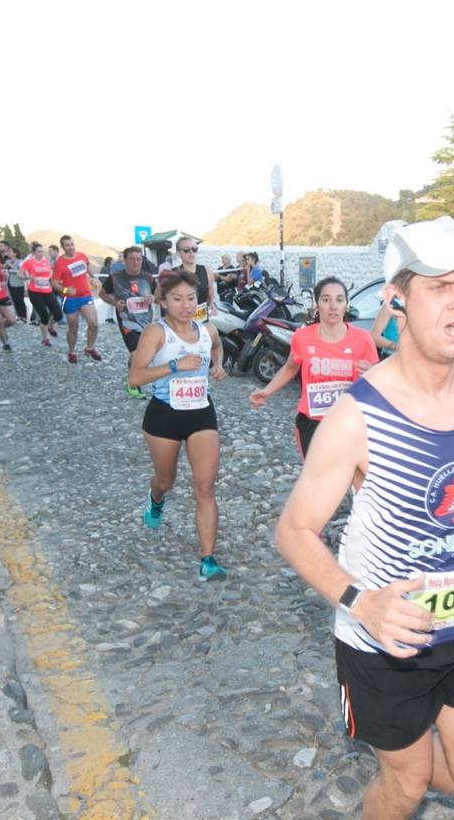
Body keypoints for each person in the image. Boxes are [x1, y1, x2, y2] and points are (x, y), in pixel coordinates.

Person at [274, 217, 454, 820]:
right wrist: (362, 602)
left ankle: (405, 773)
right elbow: (295, 531)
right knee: (408, 782)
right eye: (439, 288)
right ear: (399, 299)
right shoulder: (359, 415)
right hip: (385, 636)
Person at [127, 271, 230, 582]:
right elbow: (135, 378)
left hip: (201, 413)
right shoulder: (156, 333)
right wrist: (174, 365)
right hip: (163, 415)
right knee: (165, 480)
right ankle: (155, 499)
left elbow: (216, 346)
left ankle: (208, 559)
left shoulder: (206, 330)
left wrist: (218, 365)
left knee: (205, 486)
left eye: (190, 298)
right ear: (163, 302)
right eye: (177, 299)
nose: (185, 305)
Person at [248, 277, 378, 457]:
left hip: (350, 422)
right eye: (326, 300)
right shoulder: (302, 337)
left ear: (346, 305)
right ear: (317, 304)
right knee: (317, 482)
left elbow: (379, 383)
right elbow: (290, 368)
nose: (333, 306)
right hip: (312, 423)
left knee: (348, 481)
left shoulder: (363, 339)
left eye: (339, 300)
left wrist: (372, 374)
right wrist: (266, 391)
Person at [102, 246, 157, 397]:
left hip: (146, 321)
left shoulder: (148, 277)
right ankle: (133, 384)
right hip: (127, 321)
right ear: (125, 260)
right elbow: (102, 293)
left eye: (138, 259)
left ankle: (132, 369)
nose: (135, 262)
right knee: (137, 353)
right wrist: (115, 302)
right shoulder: (115, 276)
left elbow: (157, 295)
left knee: (140, 353)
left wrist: (153, 298)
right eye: (132, 259)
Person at [51, 234, 101, 362]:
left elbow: (87, 269)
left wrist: (94, 278)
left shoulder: (82, 256)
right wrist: (66, 290)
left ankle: (90, 348)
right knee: (73, 327)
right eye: (67, 245)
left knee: (94, 324)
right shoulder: (60, 263)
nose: (71, 247)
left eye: (72, 244)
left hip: (85, 295)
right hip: (70, 299)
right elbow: (54, 283)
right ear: (63, 247)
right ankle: (72, 351)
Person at [20, 243, 62, 347]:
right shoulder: (29, 263)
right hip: (35, 292)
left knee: (58, 314)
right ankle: (45, 339)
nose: (41, 253)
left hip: (47, 291)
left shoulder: (46, 262)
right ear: (33, 252)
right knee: (43, 316)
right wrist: (28, 278)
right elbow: (19, 274)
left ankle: (50, 326)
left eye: (42, 251)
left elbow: (50, 274)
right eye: (39, 251)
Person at [172, 236, 212, 306]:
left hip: (203, 315)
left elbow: (210, 297)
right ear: (179, 253)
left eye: (194, 249)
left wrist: (212, 307)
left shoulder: (206, 270)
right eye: (186, 250)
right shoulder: (173, 274)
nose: (191, 253)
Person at [3, 243, 29, 323]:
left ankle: (24, 317)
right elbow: (4, 268)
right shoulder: (8, 261)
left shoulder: (20, 262)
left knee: (20, 300)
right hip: (10, 283)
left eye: (10, 251)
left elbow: (21, 271)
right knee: (14, 300)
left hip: (18, 284)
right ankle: (18, 316)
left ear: (15, 253)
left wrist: (10, 265)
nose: (8, 253)